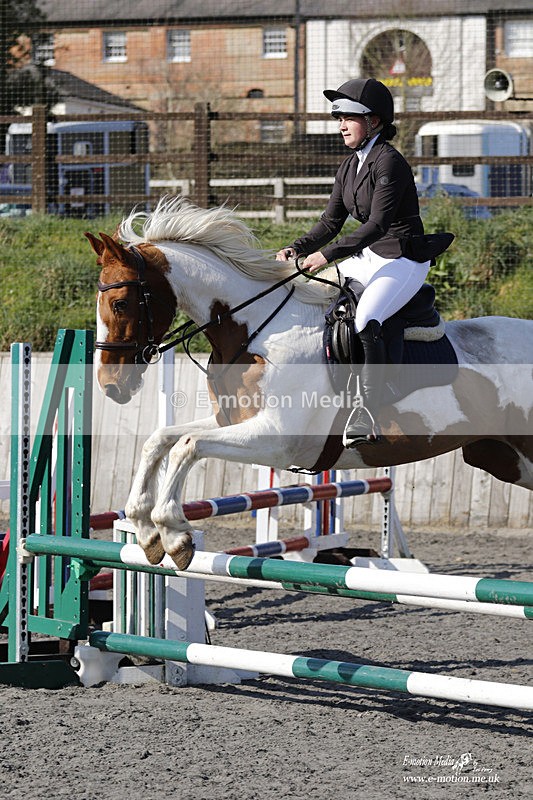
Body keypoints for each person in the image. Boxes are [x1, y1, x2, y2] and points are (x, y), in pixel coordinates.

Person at [276, 77, 452, 447]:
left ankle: (367, 412)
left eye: (348, 118)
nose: (340, 125)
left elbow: (378, 224)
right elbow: (330, 222)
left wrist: (326, 254)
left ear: (373, 122)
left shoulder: (390, 163)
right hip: (368, 256)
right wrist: (296, 247)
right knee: (321, 306)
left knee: (366, 316)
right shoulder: (349, 166)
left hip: (401, 257)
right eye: (337, 117)